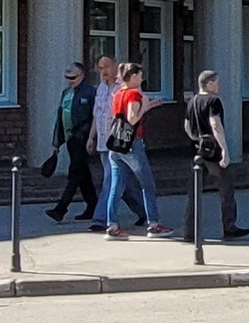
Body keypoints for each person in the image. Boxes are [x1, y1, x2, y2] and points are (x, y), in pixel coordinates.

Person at [104, 62, 173, 240]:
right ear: (133, 76)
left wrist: (149, 106)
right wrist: (144, 105)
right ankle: (154, 225)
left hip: (116, 144)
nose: (142, 78)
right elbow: (133, 118)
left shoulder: (117, 93)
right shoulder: (134, 94)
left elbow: (119, 117)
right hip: (133, 144)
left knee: (116, 186)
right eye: (140, 75)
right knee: (147, 184)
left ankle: (112, 226)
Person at [183, 70, 249, 242]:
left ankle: (190, 232)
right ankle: (229, 228)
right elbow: (215, 124)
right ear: (209, 84)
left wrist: (196, 139)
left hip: (197, 152)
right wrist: (225, 151)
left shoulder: (192, 101)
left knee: (194, 193)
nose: (219, 85)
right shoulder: (213, 101)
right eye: (216, 82)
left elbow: (186, 125)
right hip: (213, 152)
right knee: (226, 189)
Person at [88, 55, 146, 232]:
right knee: (121, 181)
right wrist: (91, 137)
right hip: (104, 141)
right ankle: (143, 211)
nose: (103, 71)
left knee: (110, 180)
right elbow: (97, 115)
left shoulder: (124, 87)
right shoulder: (100, 89)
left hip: (121, 141)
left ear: (115, 66)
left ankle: (100, 218)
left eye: (106, 66)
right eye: (100, 68)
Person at [45, 62, 97, 223]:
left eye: (73, 77)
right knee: (83, 175)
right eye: (67, 78)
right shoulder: (66, 93)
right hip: (70, 139)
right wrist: (57, 141)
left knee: (74, 173)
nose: (69, 81)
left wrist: (91, 137)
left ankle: (60, 209)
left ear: (81, 76)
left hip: (82, 137)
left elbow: (95, 117)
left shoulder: (90, 93)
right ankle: (93, 205)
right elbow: (61, 117)